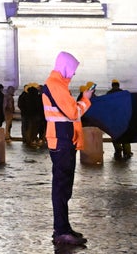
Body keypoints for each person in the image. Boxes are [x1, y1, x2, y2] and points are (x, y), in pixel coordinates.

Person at [41, 51, 93, 246]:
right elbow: (72, 112)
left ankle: (64, 227)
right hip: (61, 142)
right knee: (61, 188)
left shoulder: (60, 86)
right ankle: (61, 231)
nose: (73, 74)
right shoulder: (55, 86)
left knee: (64, 187)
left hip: (64, 140)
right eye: (72, 70)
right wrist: (86, 99)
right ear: (64, 67)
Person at [107, 80, 132, 160]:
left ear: (112, 85)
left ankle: (118, 150)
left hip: (113, 118)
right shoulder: (123, 93)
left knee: (115, 135)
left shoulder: (108, 94)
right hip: (123, 118)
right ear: (118, 85)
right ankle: (127, 152)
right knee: (125, 135)